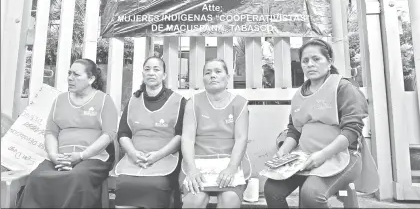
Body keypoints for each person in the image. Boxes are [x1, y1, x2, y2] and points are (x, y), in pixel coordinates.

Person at [264, 39, 378, 208]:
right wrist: (283, 151)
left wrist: (323, 155)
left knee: (311, 194)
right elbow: (295, 130)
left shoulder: (343, 87)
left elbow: (352, 130)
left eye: (316, 59)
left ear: (329, 61)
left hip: (342, 155)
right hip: (304, 156)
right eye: (305, 61)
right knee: (272, 190)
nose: (310, 64)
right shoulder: (299, 95)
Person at [17, 58, 119, 208]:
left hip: (94, 157)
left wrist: (81, 156)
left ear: (91, 79)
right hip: (61, 156)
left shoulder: (104, 100)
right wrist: (53, 156)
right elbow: (51, 132)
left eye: (76, 75)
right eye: (69, 73)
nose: (70, 78)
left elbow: (109, 134)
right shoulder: (60, 100)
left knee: (76, 177)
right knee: (37, 177)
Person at [115, 56, 186, 208]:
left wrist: (158, 155)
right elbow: (123, 133)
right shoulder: (134, 100)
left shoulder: (179, 101)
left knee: (156, 183)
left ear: (164, 75)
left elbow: (181, 136)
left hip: (165, 158)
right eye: (147, 69)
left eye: (156, 69)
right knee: (124, 183)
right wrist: (133, 153)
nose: (151, 73)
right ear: (143, 74)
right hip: (136, 158)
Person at [180, 59, 251, 208]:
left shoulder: (240, 103)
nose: (213, 75)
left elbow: (241, 139)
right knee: (194, 201)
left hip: (230, 163)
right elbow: (187, 139)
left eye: (218, 72)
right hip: (198, 164)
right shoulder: (193, 103)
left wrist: (231, 168)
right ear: (203, 79)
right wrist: (192, 169)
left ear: (227, 77)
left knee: (229, 200)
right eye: (208, 72)